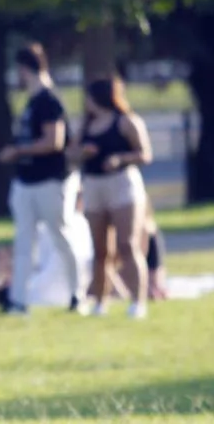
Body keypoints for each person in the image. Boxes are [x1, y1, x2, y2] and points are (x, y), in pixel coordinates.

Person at [0, 42, 84, 314]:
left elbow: (54, 141)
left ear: (25, 69)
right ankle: (19, 301)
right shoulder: (33, 102)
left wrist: (17, 151)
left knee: (60, 236)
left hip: (50, 180)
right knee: (24, 241)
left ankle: (76, 294)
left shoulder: (49, 100)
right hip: (26, 181)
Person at [68, 76, 153, 317]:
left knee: (127, 245)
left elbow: (145, 153)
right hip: (94, 185)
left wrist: (120, 159)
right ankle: (100, 302)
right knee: (100, 249)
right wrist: (81, 153)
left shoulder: (126, 121)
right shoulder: (86, 125)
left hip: (122, 184)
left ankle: (138, 302)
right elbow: (71, 154)